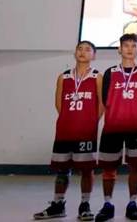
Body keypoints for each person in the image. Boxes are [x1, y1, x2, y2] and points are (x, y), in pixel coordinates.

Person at [34, 41, 103, 221]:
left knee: (87, 170)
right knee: (62, 169)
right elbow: (59, 104)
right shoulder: (63, 77)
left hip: (86, 131)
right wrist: (68, 119)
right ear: (74, 53)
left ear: (94, 55)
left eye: (87, 49)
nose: (82, 52)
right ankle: (58, 204)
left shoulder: (97, 77)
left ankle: (84, 205)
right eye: (79, 49)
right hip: (65, 130)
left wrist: (91, 121)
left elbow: (102, 104)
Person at [95, 34, 137, 222]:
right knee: (109, 168)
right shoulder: (110, 72)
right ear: (119, 49)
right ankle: (107, 204)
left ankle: (132, 203)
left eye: (133, 45)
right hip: (113, 127)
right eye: (126, 45)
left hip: (135, 128)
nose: (129, 49)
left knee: (135, 166)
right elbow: (105, 100)